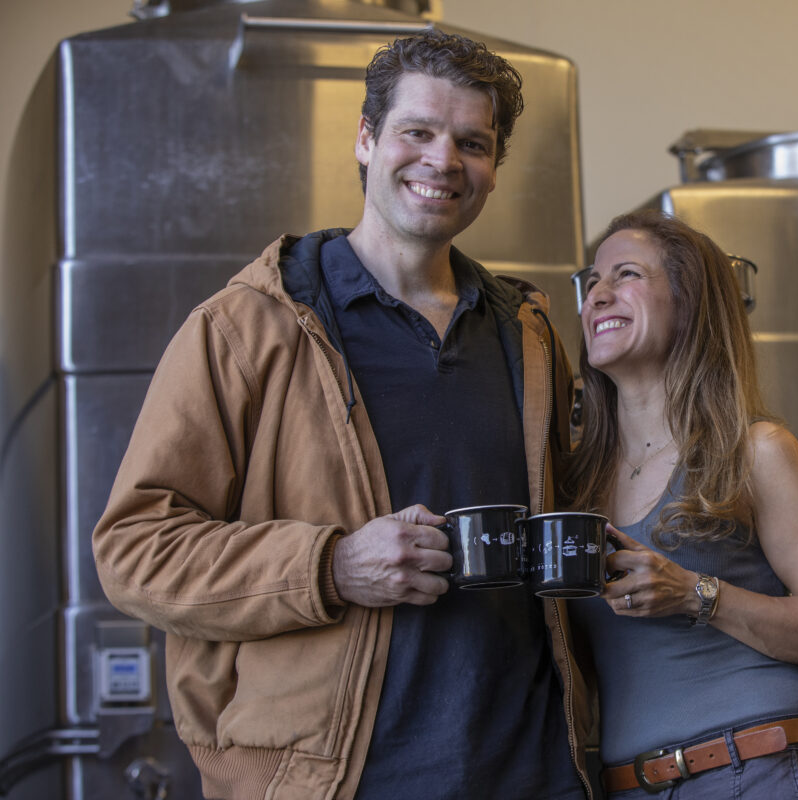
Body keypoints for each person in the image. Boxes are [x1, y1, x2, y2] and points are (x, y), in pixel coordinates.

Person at [91, 31, 590, 800]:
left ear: (494, 167)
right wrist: (329, 566)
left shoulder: (525, 332)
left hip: (531, 773)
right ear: (366, 139)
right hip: (333, 781)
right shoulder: (246, 327)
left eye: (472, 142)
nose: (443, 162)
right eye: (416, 132)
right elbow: (134, 550)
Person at [565, 209, 798, 798]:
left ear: (689, 301)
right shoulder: (575, 485)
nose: (598, 296)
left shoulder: (756, 451)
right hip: (633, 787)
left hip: (760, 770)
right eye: (591, 281)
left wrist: (694, 594)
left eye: (625, 274)